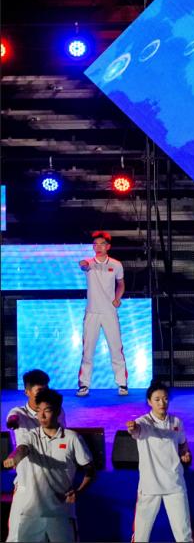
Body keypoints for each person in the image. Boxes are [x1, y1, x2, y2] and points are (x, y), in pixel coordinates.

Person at [4, 389, 96, 543]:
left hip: (61, 515)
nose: (42, 416)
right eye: (38, 411)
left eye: (47, 411)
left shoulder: (72, 438)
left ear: (58, 411)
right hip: (31, 515)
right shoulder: (30, 436)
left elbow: (90, 470)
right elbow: (22, 449)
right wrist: (14, 458)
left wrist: (79, 491)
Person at [127, 381, 193, 542]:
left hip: (175, 484)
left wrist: (185, 453)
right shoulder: (142, 422)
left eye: (165, 398)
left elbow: (183, 444)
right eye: (157, 399)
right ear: (149, 402)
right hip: (150, 486)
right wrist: (132, 428)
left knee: (184, 535)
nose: (162, 403)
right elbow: (135, 430)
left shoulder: (176, 422)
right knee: (141, 537)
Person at [77, 230, 127, 397]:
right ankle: (84, 384)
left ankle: (122, 383)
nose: (98, 247)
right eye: (96, 244)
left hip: (109, 312)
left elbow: (121, 284)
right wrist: (83, 264)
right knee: (88, 350)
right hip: (92, 312)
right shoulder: (89, 263)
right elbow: (83, 265)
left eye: (102, 244)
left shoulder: (116, 264)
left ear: (108, 247)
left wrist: (117, 298)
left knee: (116, 348)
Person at [6, 369, 67, 445]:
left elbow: (61, 437)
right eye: (39, 391)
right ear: (27, 392)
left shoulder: (56, 410)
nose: (44, 394)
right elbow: (13, 417)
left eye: (46, 390)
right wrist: (12, 421)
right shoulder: (19, 412)